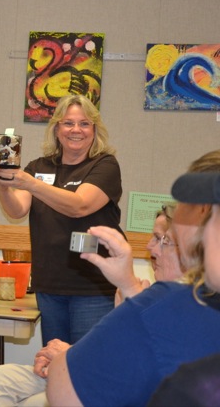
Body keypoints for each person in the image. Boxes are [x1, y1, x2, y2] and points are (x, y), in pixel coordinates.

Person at [0, 205, 181, 407]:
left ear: (186, 249)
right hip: (97, 373)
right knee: (3, 376)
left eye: (160, 239)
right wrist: (62, 354)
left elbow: (138, 370)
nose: (149, 247)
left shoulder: (185, 306)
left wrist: (67, 356)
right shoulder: (153, 292)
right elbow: (111, 349)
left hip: (114, 387)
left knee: (33, 402)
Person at [45, 171, 220, 406]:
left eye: (166, 240)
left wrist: (66, 356)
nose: (151, 248)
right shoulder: (167, 303)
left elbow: (65, 393)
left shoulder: (168, 304)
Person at [0, 94, 122, 345]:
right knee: (52, 361)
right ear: (57, 129)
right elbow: (17, 210)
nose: (76, 130)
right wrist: (3, 186)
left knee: (85, 363)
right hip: (49, 285)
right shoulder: (39, 167)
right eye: (68, 123)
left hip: (92, 288)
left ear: (94, 130)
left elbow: (79, 206)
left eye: (84, 123)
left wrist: (30, 183)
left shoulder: (104, 165)